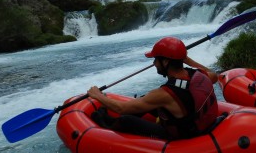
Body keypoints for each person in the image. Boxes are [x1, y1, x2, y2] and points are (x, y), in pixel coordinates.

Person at [87, 37, 219, 140]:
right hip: (195, 122)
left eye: (156, 59)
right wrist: (187, 60)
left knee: (126, 120)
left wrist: (98, 95)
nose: (154, 63)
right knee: (146, 101)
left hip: (183, 134)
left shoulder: (164, 94)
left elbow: (122, 109)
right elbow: (214, 76)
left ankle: (106, 126)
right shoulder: (199, 75)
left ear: (166, 62)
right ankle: (110, 119)